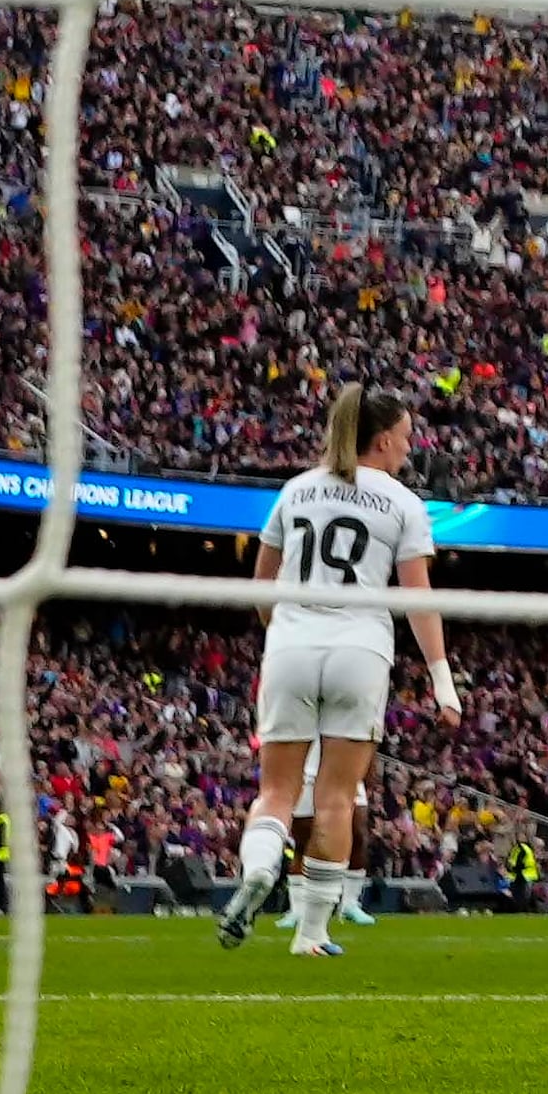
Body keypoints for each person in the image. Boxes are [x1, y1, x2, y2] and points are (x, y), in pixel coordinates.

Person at [216, 384, 454, 960]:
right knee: (337, 796)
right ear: (381, 440)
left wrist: (288, 630)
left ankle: (260, 867)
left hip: (292, 643)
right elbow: (419, 600)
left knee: (276, 791)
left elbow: (262, 587)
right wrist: (442, 679)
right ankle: (312, 933)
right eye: (404, 438)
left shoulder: (296, 489)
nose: (408, 447)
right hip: (360, 650)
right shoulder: (401, 502)